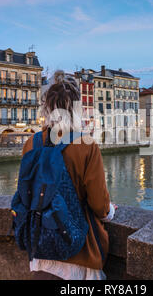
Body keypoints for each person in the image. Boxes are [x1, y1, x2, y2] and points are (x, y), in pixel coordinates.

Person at [21, 70, 116, 280]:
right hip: (77, 250)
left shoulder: (31, 143)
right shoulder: (86, 145)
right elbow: (99, 204)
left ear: (46, 107)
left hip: (41, 245)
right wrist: (110, 211)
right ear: (76, 108)